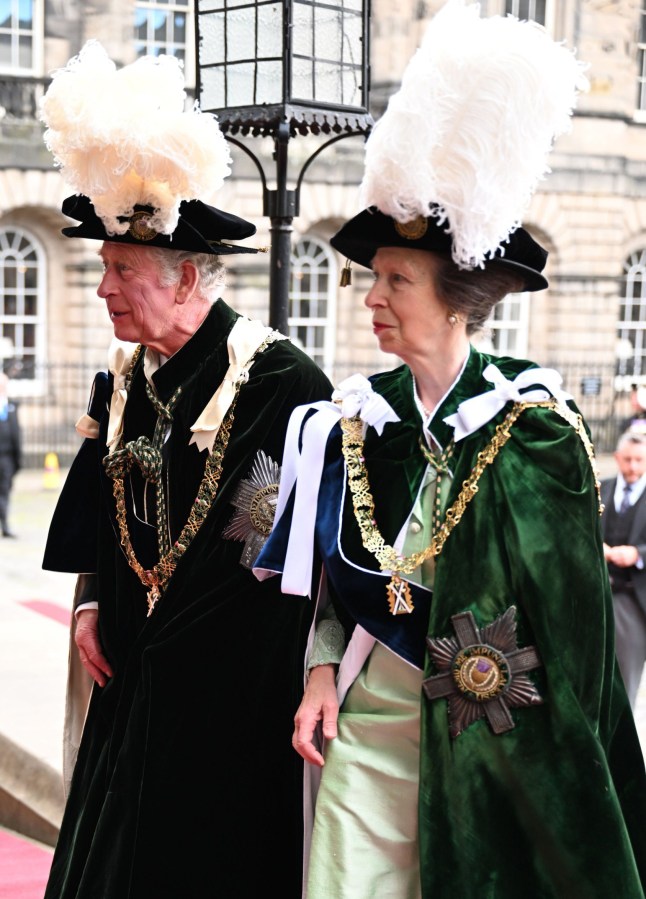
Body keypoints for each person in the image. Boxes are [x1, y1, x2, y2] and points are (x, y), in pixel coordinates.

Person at [254, 3, 646, 897]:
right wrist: (320, 670)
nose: (372, 298)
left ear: (457, 298)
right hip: (368, 732)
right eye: (374, 278)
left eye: (395, 280)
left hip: (486, 747)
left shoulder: (532, 427)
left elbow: (576, 645)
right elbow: (330, 584)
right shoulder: (359, 420)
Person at [38, 43, 332, 898]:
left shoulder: (277, 379)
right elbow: (101, 504)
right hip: (131, 677)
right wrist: (92, 600)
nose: (103, 289)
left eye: (120, 271)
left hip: (224, 699)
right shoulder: (124, 378)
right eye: (104, 268)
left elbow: (256, 540)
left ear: (189, 276)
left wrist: (163, 651)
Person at [602, 430, 646, 707]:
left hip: (634, 600)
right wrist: (598, 548)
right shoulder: (599, 489)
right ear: (617, 458)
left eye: (639, 460)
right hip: (597, 594)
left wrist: (638, 554)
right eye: (627, 459)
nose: (632, 467)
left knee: (625, 679)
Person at [0, 371, 21, 538]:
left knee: (4, 491)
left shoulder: (12, 406)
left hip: (6, 458)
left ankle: (5, 525)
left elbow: (17, 434)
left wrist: (17, 461)